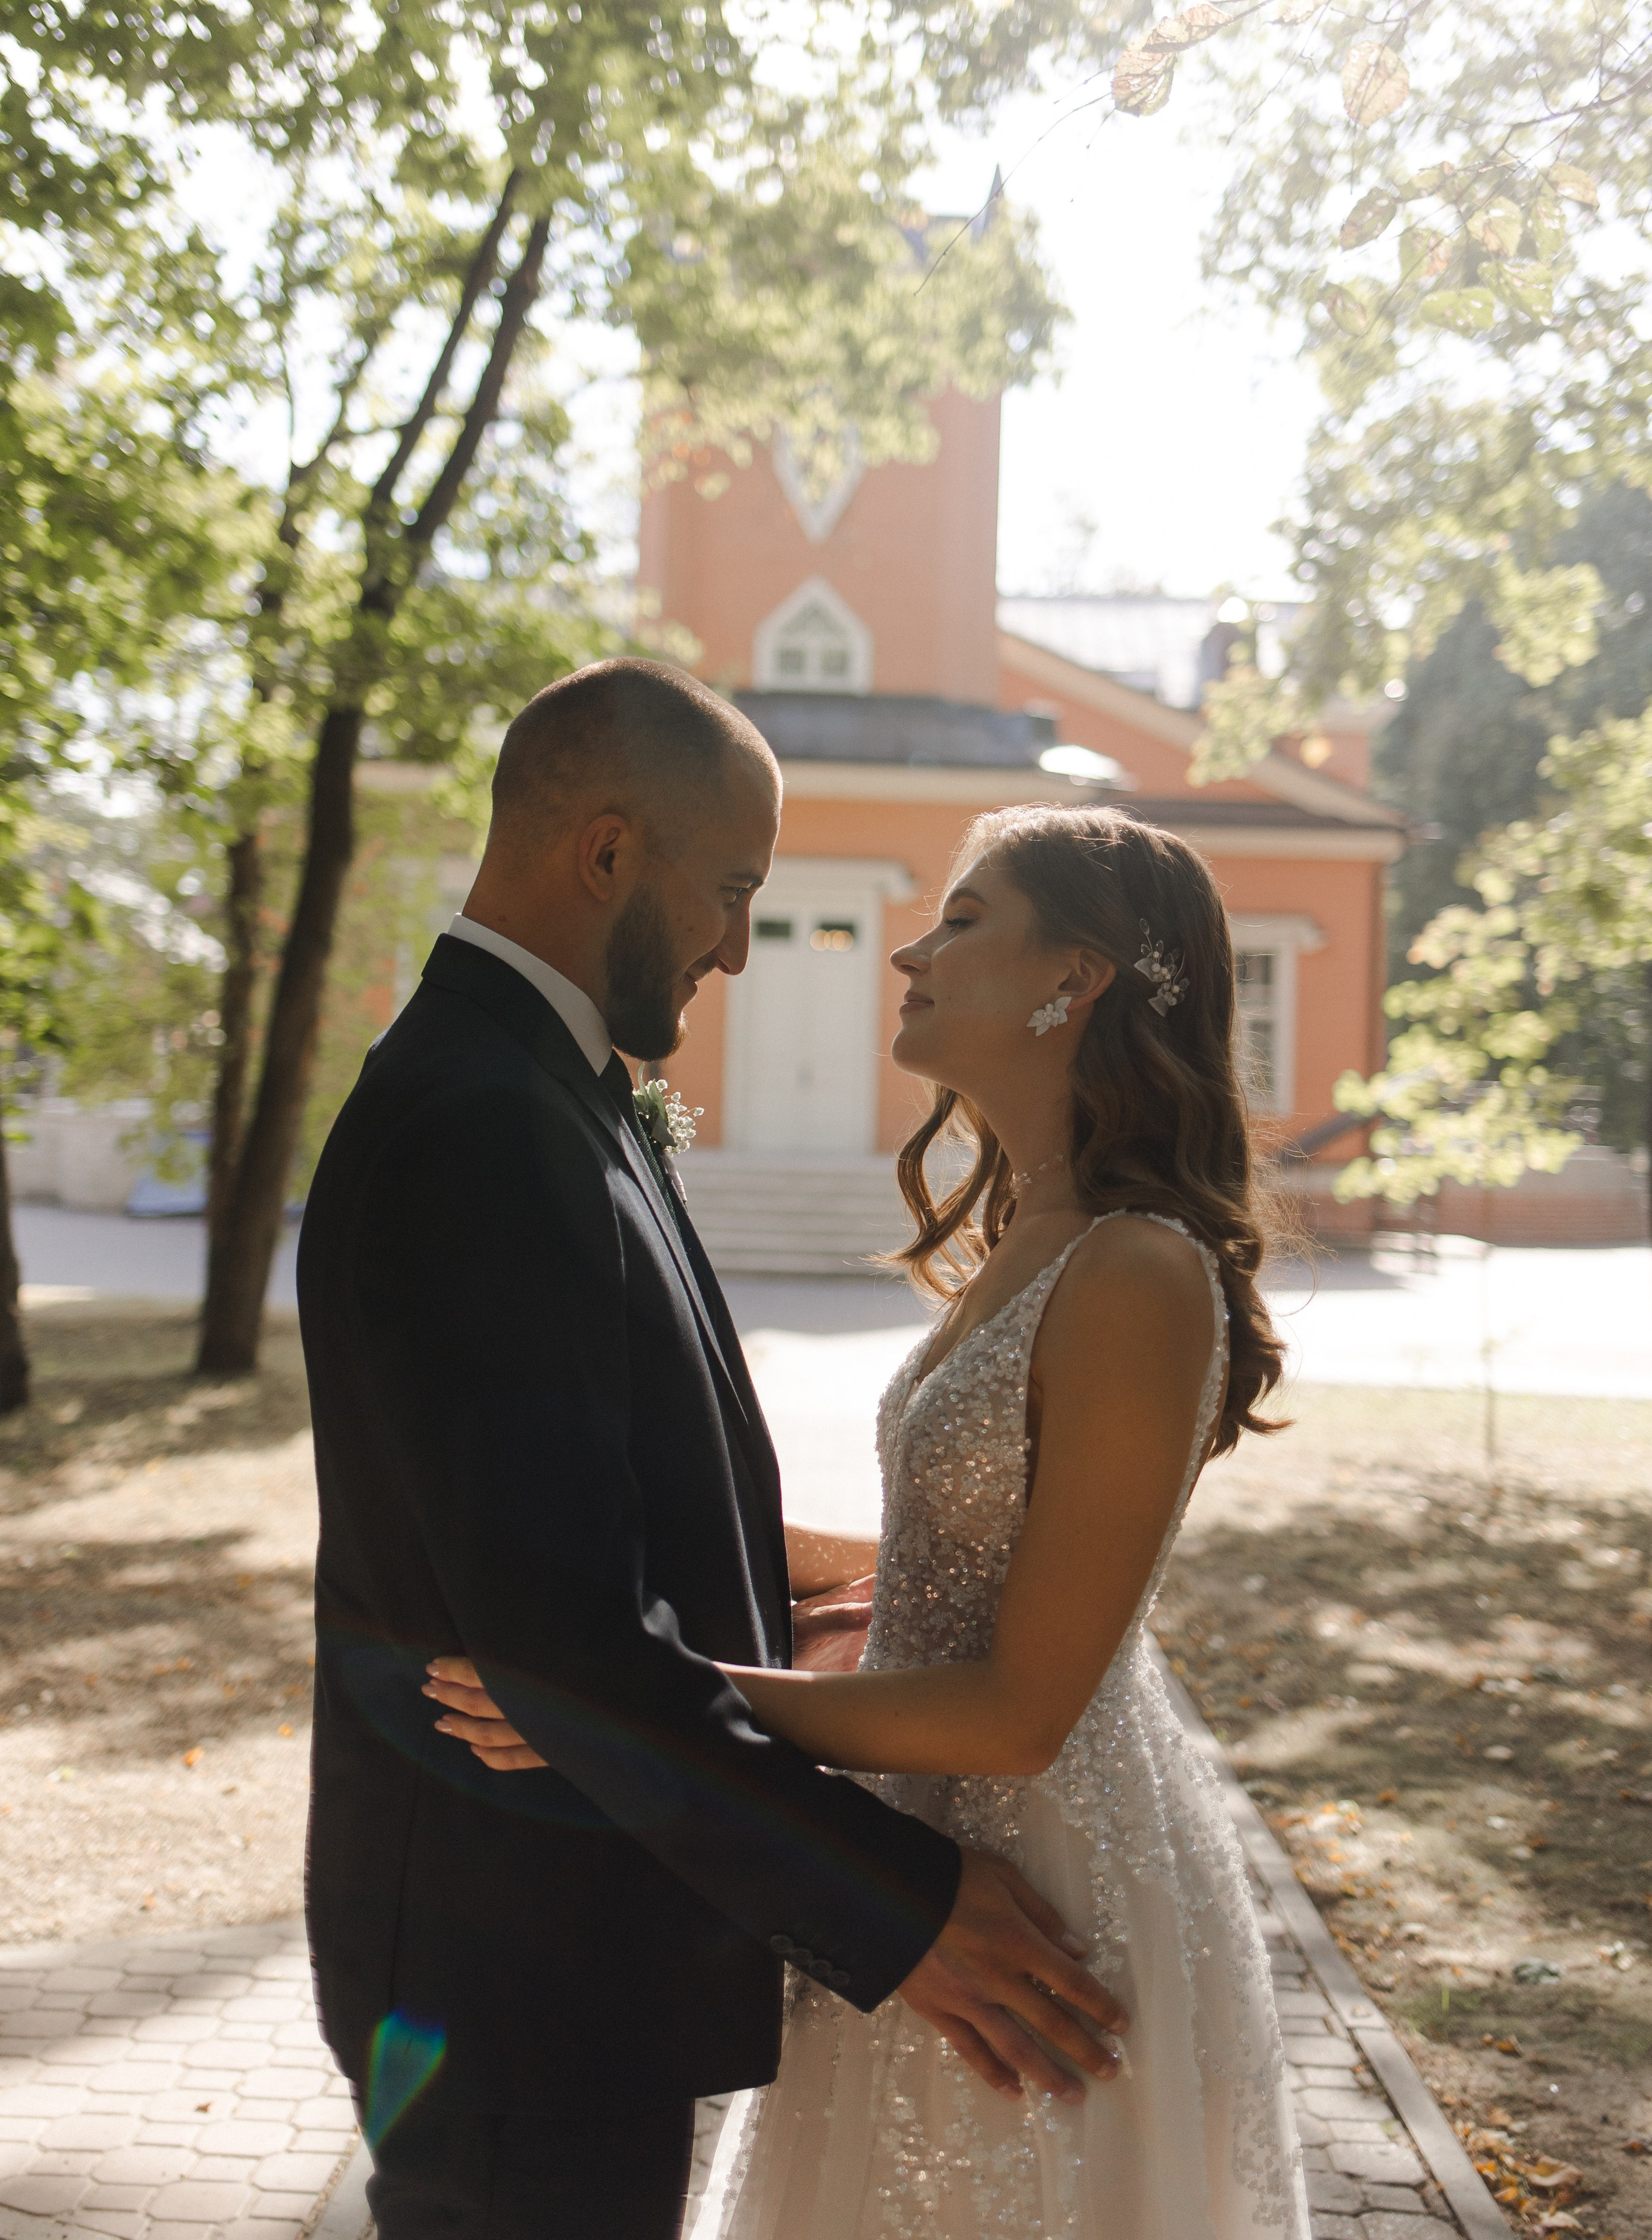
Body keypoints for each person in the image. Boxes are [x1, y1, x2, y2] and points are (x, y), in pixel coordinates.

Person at [297, 664, 1124, 2240]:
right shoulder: (480, 1119)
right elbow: (557, 1643)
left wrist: (873, 1588)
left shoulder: (553, 1089)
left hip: (562, 1944)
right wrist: (903, 1911)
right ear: (607, 854)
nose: (742, 947)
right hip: (508, 1977)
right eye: (733, 889)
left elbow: (621, 1510)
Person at [430, 800, 1313, 2239]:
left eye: (962, 920)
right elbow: (949, 1566)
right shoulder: (1029, 1232)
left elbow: (1023, 1706)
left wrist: (632, 1704)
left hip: (1051, 1871)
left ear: (1074, 977)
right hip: (913, 1843)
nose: (908, 950)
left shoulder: (1135, 1271)